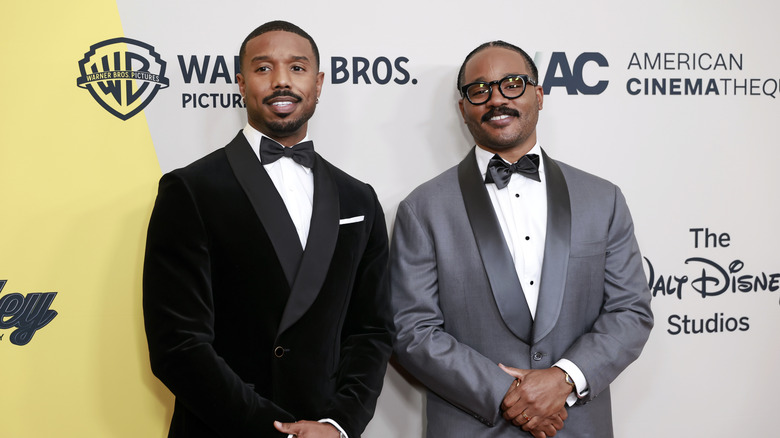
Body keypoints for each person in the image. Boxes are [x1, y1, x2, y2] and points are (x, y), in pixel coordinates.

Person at [143, 20, 393, 438]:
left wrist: (339, 423)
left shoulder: (359, 199)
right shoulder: (190, 189)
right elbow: (178, 343)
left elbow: (372, 330)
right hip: (224, 428)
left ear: (318, 83)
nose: (281, 81)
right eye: (263, 69)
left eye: (297, 68)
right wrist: (271, 429)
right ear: (240, 83)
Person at [390, 40, 654, 437]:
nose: (497, 99)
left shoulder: (603, 199)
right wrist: (508, 393)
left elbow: (631, 311)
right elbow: (412, 330)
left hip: (576, 425)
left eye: (512, 84)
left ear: (539, 95)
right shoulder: (422, 208)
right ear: (463, 108)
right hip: (474, 425)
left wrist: (564, 378)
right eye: (479, 90)